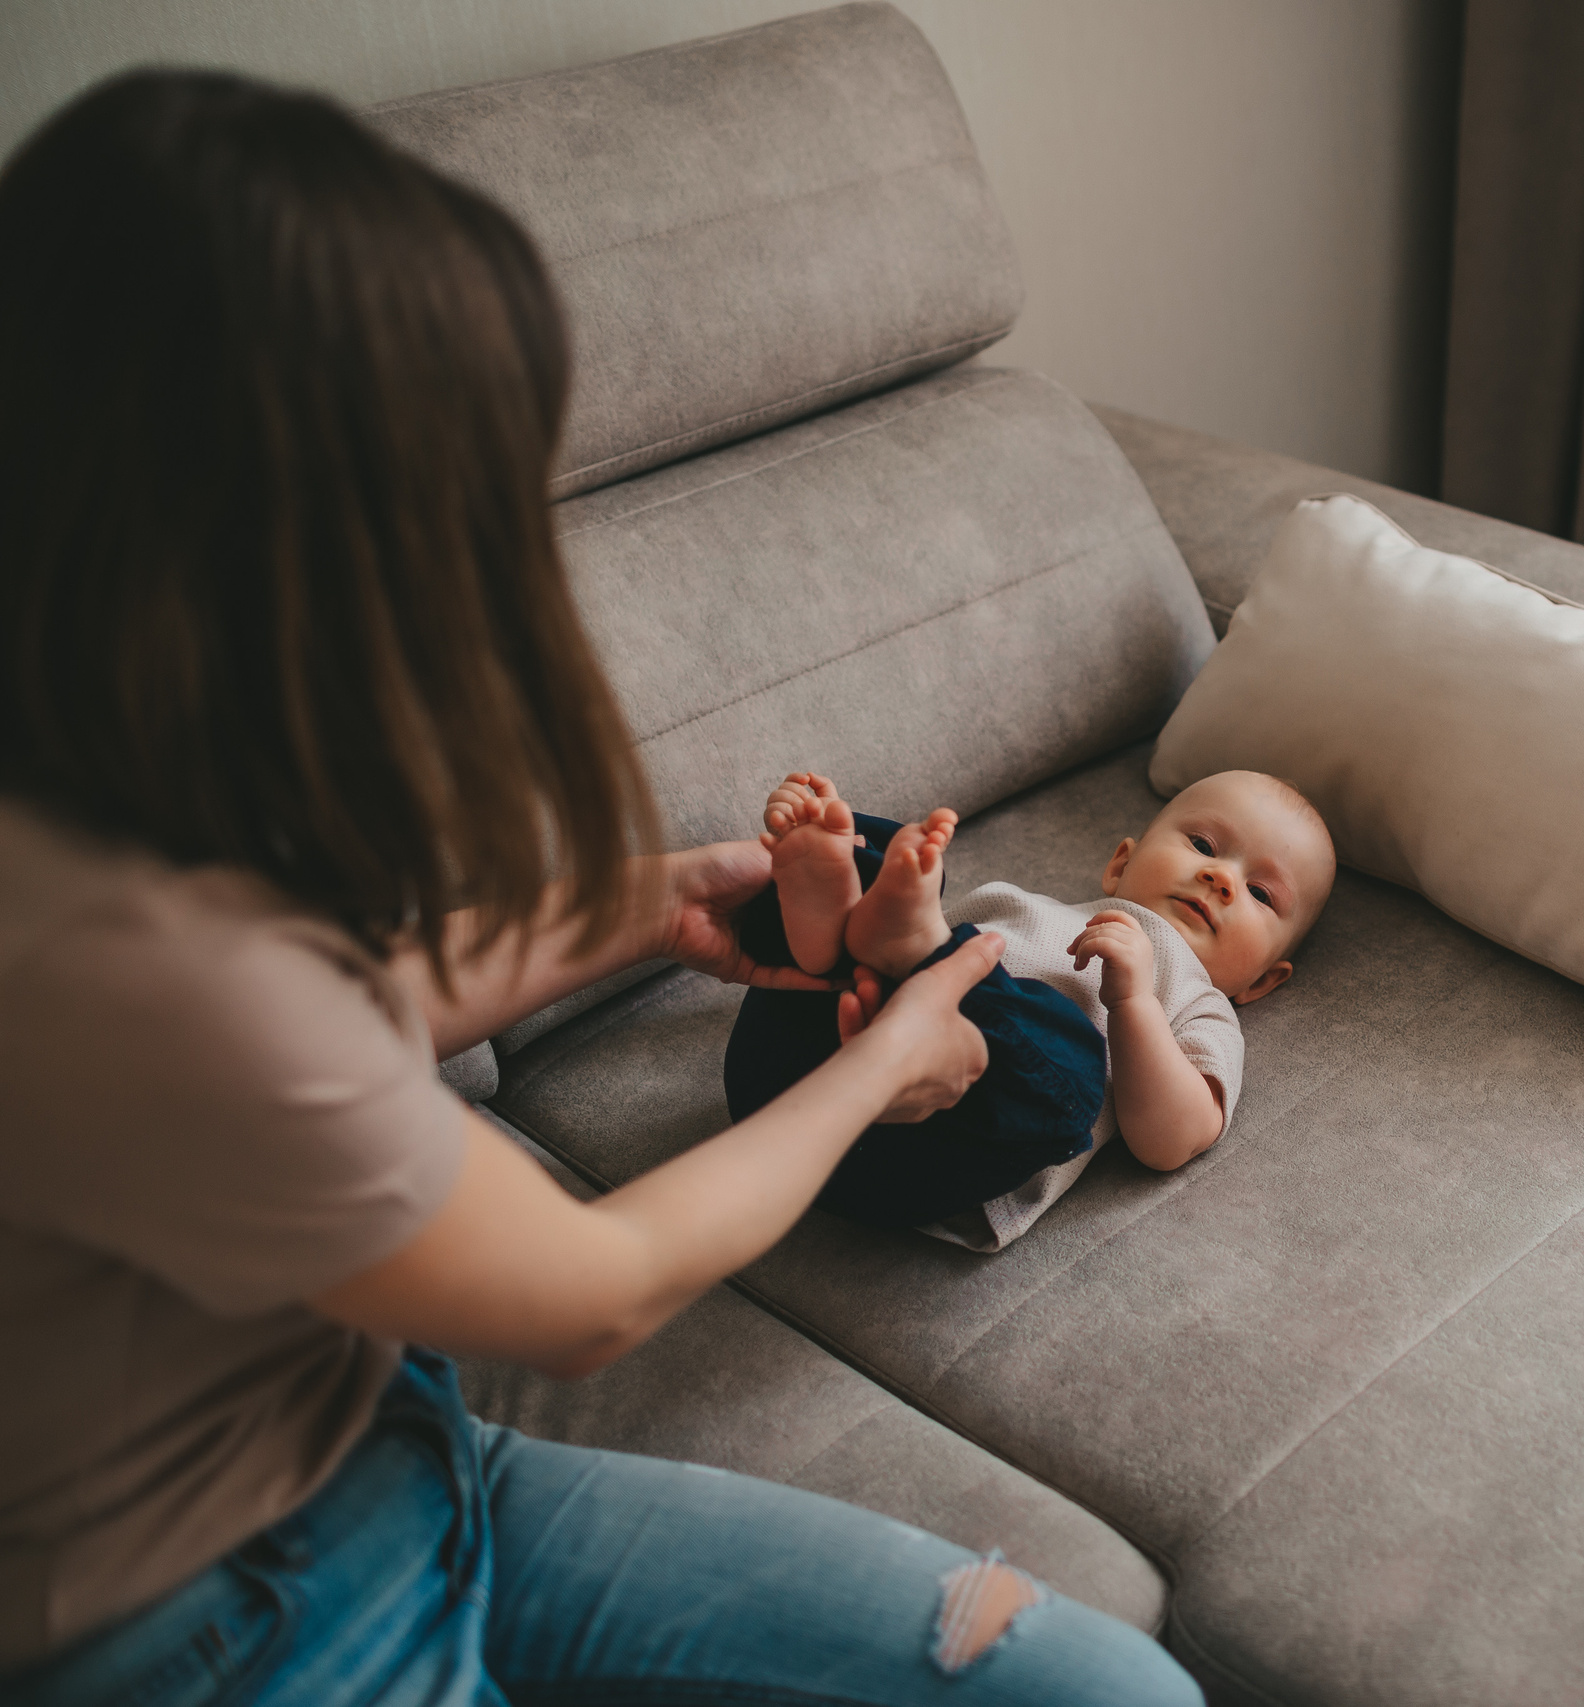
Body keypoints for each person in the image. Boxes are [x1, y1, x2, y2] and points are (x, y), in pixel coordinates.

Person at [0, 68, 1203, 1707]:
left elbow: (324, 1032)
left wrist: (641, 906)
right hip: (222, 1632)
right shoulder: (117, 953)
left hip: (396, 1456)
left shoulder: (122, 776)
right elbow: (592, 1291)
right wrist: (885, 1060)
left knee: (1117, 1692)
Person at [724, 769, 1337, 1249]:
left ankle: (895, 943)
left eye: (1260, 893)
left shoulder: (1201, 1006)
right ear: (1121, 865)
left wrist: (1134, 1004)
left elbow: (1173, 1141)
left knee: (1072, 1057)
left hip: (928, 1147)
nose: (1221, 878)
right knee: (909, 879)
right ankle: (832, 900)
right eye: (1204, 844)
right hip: (791, 1068)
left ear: (1261, 982)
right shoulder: (1016, 905)